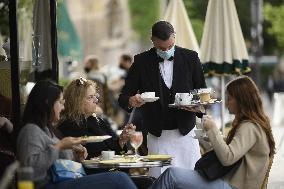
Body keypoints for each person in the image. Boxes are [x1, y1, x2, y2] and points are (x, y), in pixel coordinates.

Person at [149, 75, 275, 189]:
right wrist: (200, 116)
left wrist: (212, 129)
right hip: (229, 182)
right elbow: (223, 149)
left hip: (233, 186)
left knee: (172, 175)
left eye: (229, 98)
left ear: (241, 100)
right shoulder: (253, 125)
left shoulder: (250, 127)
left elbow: (227, 158)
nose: (227, 102)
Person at [118, 21, 206, 177]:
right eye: (161, 48)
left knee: (191, 179)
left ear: (174, 37)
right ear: (153, 41)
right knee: (159, 180)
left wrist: (197, 106)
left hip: (186, 133)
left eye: (170, 47)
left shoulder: (191, 58)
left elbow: (203, 93)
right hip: (157, 134)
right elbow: (123, 96)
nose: (166, 51)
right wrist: (132, 100)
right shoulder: (140, 61)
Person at [17, 80, 137, 189]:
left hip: (64, 180)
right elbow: (30, 170)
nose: (63, 107)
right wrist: (59, 146)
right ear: (48, 103)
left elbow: (61, 163)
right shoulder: (31, 130)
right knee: (119, 178)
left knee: (144, 181)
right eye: (60, 102)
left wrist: (76, 156)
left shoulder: (48, 129)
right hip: (49, 185)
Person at [58, 77, 136, 159]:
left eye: (95, 96)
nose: (96, 100)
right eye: (90, 97)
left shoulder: (97, 121)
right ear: (77, 101)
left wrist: (122, 139)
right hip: (90, 171)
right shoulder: (68, 126)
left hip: (109, 169)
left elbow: (118, 153)